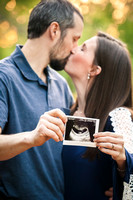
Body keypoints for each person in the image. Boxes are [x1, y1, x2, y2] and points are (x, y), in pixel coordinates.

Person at [0, 0, 84, 199]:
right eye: (74, 38)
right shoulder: (3, 76)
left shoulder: (61, 84)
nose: (75, 48)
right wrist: (31, 137)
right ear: (54, 30)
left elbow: (73, 148)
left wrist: (112, 179)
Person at [63, 31, 133, 200]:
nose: (73, 49)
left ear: (95, 69)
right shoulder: (68, 114)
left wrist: (122, 166)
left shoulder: (118, 117)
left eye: (83, 48)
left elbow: (129, 183)